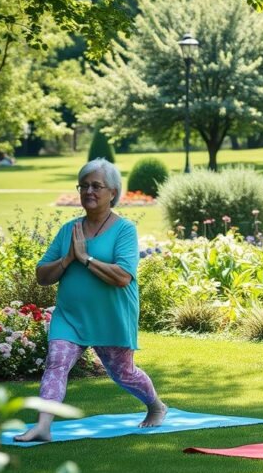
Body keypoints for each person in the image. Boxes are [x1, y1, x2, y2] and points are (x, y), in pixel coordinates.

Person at [15, 158, 166, 442]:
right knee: (56, 363)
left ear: (113, 192)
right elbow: (42, 275)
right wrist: (68, 258)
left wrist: (85, 259)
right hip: (70, 316)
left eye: (96, 186)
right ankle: (43, 426)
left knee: (124, 373)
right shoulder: (69, 230)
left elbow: (123, 276)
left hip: (109, 316)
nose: (89, 191)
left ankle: (156, 406)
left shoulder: (124, 230)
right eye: (83, 186)